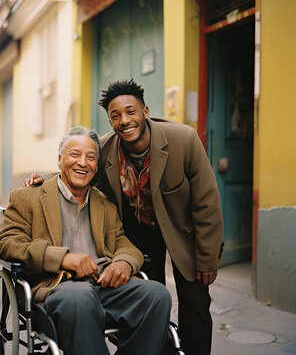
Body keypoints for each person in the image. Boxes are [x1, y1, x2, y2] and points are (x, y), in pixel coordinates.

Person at [25, 79, 224, 355]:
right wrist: (41, 179)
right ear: (110, 122)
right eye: (115, 116)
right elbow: (79, 170)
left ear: (145, 111)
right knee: (149, 299)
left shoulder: (183, 139)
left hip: (183, 230)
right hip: (138, 232)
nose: (124, 120)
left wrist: (208, 257)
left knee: (196, 304)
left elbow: (207, 202)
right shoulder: (105, 148)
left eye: (130, 112)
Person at [0, 126, 172, 355]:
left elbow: (121, 241)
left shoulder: (105, 204)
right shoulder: (29, 197)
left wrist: (124, 262)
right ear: (59, 160)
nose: (83, 163)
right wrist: (62, 258)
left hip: (103, 286)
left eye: (91, 157)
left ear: (96, 166)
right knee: (81, 296)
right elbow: (6, 242)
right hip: (57, 289)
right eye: (74, 154)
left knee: (157, 295)